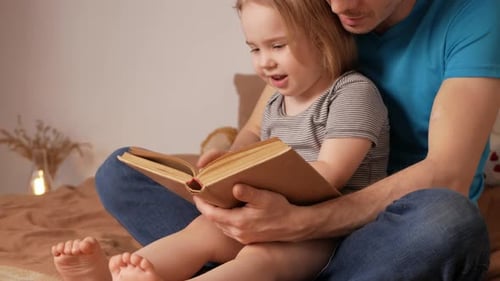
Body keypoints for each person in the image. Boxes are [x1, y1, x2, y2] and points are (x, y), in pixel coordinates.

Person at [71, 0, 499, 280]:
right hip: (277, 212)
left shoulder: (476, 17)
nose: (339, 7)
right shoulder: (319, 14)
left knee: (446, 219)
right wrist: (219, 182)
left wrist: (295, 224)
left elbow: (448, 173)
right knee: (120, 168)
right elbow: (256, 131)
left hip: (375, 231)